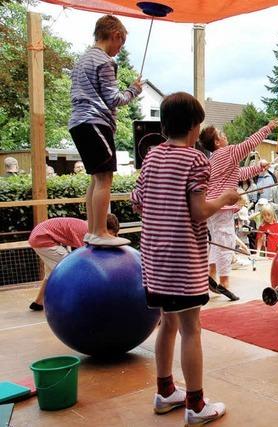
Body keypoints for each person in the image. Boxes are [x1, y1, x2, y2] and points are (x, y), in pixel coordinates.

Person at [131, 92, 240, 425]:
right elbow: (198, 211)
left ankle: (165, 392)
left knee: (167, 322)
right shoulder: (195, 160)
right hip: (182, 260)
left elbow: (137, 201)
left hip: (154, 258)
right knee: (191, 328)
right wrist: (226, 198)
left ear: (164, 125)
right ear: (195, 128)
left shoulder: (151, 157)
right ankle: (195, 405)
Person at [68, 15, 141, 247]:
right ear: (116, 35)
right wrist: (133, 90)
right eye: (121, 43)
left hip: (79, 122)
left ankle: (92, 229)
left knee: (96, 178)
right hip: (95, 122)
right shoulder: (104, 61)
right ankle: (100, 230)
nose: (119, 50)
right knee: (105, 178)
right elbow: (113, 99)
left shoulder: (83, 60)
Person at [199, 120, 276, 301]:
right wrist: (268, 127)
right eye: (221, 134)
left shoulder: (215, 159)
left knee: (216, 241)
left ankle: (212, 272)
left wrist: (258, 168)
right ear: (217, 142)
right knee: (225, 242)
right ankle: (224, 281)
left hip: (211, 206)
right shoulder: (228, 152)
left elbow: (239, 174)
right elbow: (250, 144)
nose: (225, 135)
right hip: (222, 207)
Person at [27, 214, 119, 311]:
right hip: (43, 239)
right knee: (70, 270)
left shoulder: (87, 226)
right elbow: (88, 254)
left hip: (40, 237)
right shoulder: (87, 231)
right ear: (103, 228)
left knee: (51, 274)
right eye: (110, 234)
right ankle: (74, 304)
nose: (109, 237)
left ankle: (38, 302)